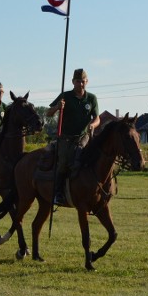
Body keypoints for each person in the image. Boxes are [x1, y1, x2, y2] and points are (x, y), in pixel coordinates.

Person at [46, 68, 100, 205]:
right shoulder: (65, 96)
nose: (80, 84)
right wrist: (58, 107)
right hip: (65, 137)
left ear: (86, 82)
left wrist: (93, 125)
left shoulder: (92, 98)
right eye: (77, 81)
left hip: (83, 135)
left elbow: (97, 118)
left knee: (89, 155)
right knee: (64, 161)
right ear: (73, 82)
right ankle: (58, 193)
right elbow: (48, 113)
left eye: (83, 81)